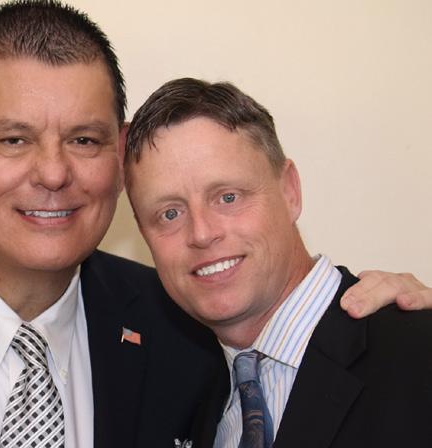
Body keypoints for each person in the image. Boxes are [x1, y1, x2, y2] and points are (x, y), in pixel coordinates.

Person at [0, 2, 428, 448]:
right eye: (14, 139)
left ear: (118, 159)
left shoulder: (185, 328)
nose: (53, 172)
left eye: (85, 140)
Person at [124, 78, 432, 447]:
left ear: (290, 191)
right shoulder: (188, 401)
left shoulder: (417, 352)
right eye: (170, 214)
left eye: (227, 197)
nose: (202, 233)